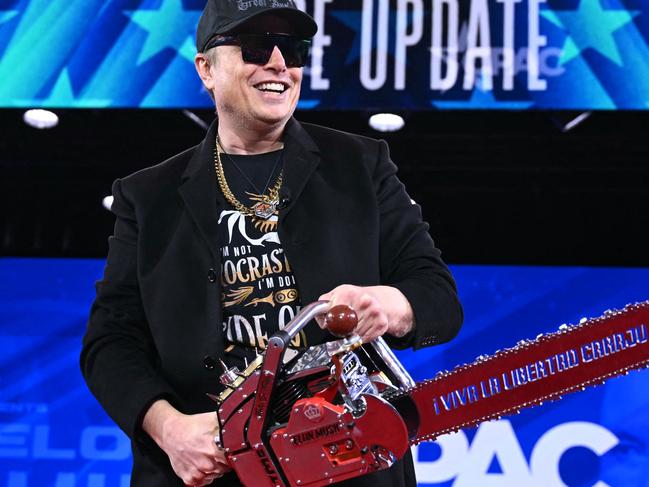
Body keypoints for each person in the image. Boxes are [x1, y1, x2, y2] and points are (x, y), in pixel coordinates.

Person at [80, 1, 463, 486]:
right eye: (257, 46)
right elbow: (110, 342)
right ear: (206, 69)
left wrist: (390, 304)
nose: (279, 62)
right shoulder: (147, 196)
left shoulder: (361, 165)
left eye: (294, 48)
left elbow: (438, 297)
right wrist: (170, 428)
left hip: (346, 463)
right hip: (211, 470)